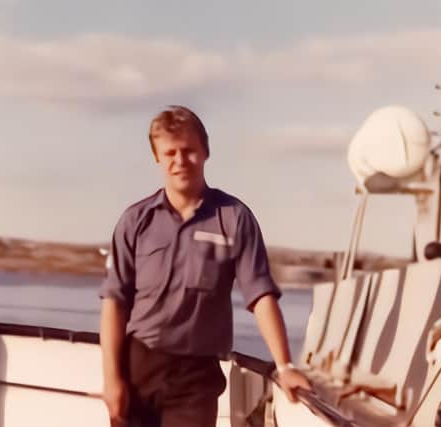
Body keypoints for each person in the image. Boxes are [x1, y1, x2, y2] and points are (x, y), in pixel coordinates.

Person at [99, 105, 311, 427]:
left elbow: (261, 296)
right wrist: (112, 380)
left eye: (189, 151)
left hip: (195, 379)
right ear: (157, 157)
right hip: (139, 367)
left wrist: (284, 367)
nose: (180, 161)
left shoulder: (233, 218)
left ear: (205, 152)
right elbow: (114, 303)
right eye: (170, 153)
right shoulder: (135, 221)